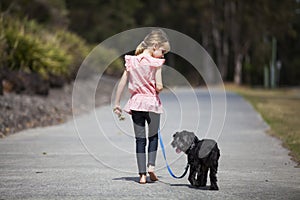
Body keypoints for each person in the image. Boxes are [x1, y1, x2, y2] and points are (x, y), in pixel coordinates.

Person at [113, 29, 170, 184]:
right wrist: (159, 87)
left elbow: (122, 83)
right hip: (152, 104)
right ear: (155, 46)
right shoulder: (156, 63)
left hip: (136, 103)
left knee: (140, 140)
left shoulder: (132, 61)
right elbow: (158, 86)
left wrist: (117, 103)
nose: (163, 55)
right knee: (153, 137)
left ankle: (142, 175)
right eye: (163, 51)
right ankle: (151, 166)